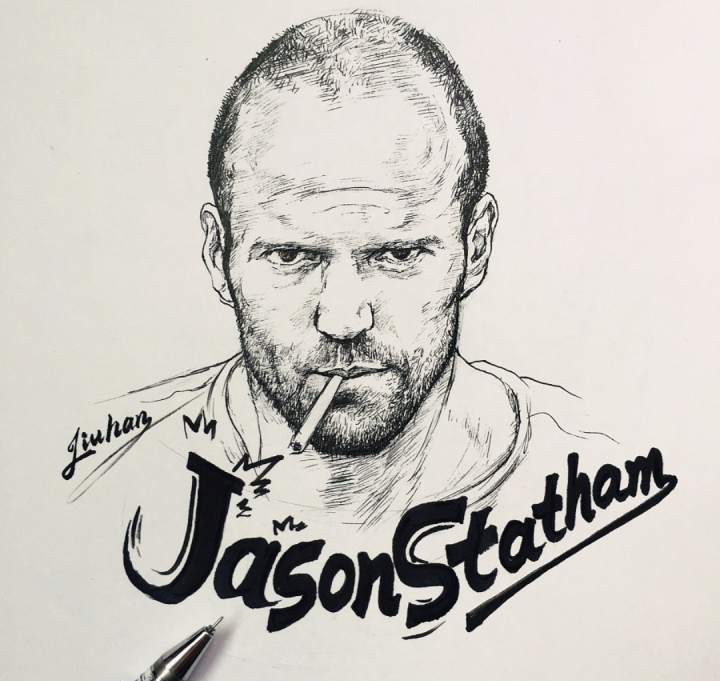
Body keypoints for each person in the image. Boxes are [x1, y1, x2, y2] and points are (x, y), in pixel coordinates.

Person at [65, 11, 612, 556]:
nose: (344, 319)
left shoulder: (600, 484)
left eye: (398, 254)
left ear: (477, 247)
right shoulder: (102, 482)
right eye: (291, 256)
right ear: (217, 254)